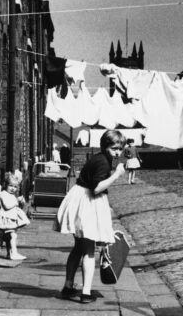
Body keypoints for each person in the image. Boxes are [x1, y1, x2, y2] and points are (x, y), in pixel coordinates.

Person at [54, 130, 125, 304]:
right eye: (114, 148)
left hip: (80, 200)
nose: (118, 152)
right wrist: (116, 174)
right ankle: (85, 293)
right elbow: (97, 188)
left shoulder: (101, 158)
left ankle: (68, 286)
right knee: (88, 249)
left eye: (120, 149)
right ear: (105, 146)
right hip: (87, 202)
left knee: (78, 247)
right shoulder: (103, 163)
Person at [0, 170, 31, 260]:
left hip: (11, 219)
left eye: (15, 187)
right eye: (10, 186)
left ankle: (10, 253)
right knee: (13, 236)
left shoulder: (11, 195)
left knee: (10, 237)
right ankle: (13, 253)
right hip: (7, 220)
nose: (13, 189)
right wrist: (16, 201)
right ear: (5, 185)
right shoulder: (3, 194)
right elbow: (7, 206)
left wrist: (20, 202)